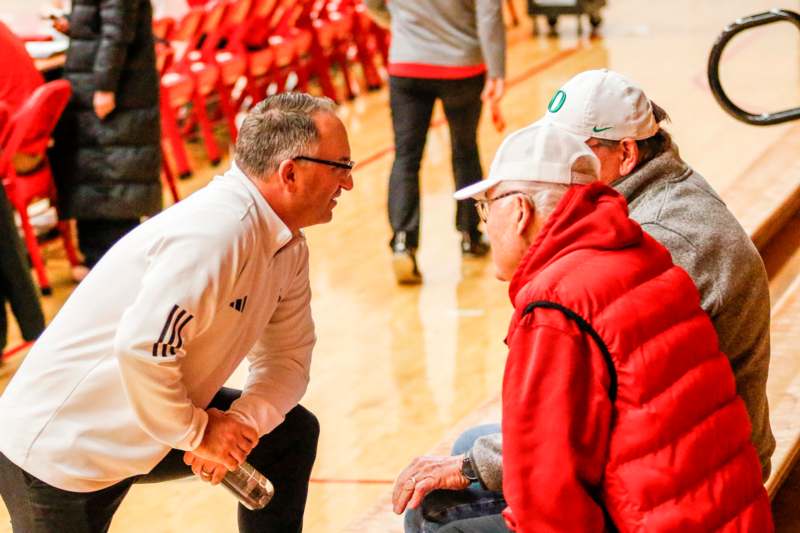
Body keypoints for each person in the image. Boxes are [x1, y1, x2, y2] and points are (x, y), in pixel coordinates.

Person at [395, 69, 775, 531]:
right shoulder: (650, 206)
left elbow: (575, 434)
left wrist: (474, 467)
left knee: (435, 508)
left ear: (627, 153)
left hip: (684, 487)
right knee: (475, 446)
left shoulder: (658, 240)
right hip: (693, 462)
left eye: (577, 151)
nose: (562, 159)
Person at [0, 92, 354, 532]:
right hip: (62, 447)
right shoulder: (218, 233)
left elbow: (288, 358)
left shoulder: (285, 243)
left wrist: (240, 428)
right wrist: (201, 435)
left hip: (146, 419)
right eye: (341, 167)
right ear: (290, 173)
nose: (348, 183)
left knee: (287, 434)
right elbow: (144, 349)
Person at [365, 0, 506, 284]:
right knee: (465, 151)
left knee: (406, 157)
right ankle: (470, 235)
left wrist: (404, 26)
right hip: (462, 64)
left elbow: (372, 3)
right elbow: (489, 15)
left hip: (407, 62)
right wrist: (496, 71)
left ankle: (403, 242)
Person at [49, 0, 162, 268]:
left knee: (111, 176)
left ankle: (107, 265)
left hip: (113, 88)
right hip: (103, 81)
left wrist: (104, 86)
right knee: (100, 175)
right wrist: (74, 24)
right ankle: (98, 262)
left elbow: (117, 30)